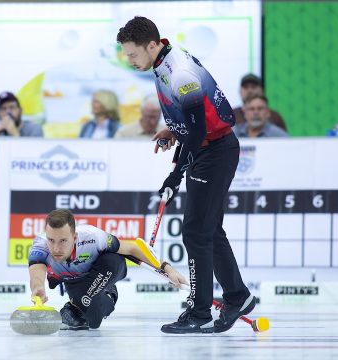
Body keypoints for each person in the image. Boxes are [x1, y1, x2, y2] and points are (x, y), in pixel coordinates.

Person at [117, 16, 256, 334]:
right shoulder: (162, 60)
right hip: (211, 147)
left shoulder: (178, 72)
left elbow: (198, 131)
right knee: (208, 229)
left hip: (214, 151)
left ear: (151, 45)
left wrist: (174, 176)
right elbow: (193, 121)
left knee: (195, 232)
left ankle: (200, 311)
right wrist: (172, 129)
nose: (129, 60)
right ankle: (237, 296)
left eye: (132, 54)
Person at [28, 209, 187, 330]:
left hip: (101, 272)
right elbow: (36, 271)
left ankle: (101, 295)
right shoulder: (40, 246)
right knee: (93, 320)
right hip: (74, 282)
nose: (56, 248)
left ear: (75, 237)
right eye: (51, 240)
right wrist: (38, 289)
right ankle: (84, 304)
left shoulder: (93, 237)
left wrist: (168, 269)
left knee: (113, 259)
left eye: (63, 241)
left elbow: (132, 248)